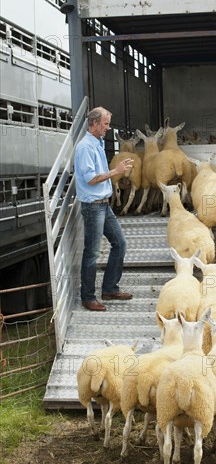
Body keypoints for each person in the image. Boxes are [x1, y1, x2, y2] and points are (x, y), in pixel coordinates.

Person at [74, 106, 134, 311]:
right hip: (93, 207)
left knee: (120, 243)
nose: (108, 128)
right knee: (91, 253)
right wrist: (116, 171)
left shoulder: (97, 143)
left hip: (103, 205)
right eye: (106, 124)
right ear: (94, 123)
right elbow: (91, 179)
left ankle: (109, 288)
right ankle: (88, 297)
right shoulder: (85, 148)